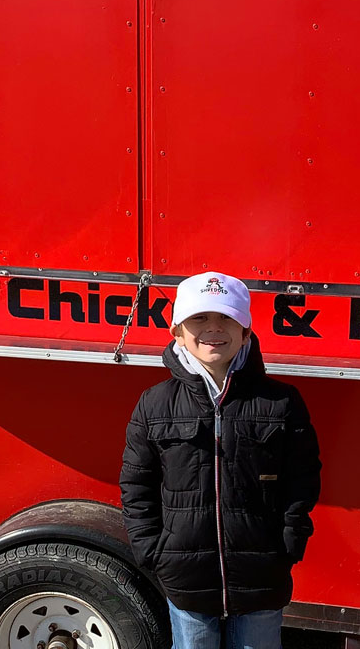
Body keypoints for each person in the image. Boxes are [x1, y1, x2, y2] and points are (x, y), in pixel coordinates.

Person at [120, 272, 322, 649]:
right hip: (185, 579)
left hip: (261, 577)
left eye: (227, 318)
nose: (213, 328)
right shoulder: (154, 404)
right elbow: (137, 485)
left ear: (246, 332)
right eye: (199, 318)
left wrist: (289, 543)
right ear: (177, 332)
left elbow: (303, 479)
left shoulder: (281, 402)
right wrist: (152, 551)